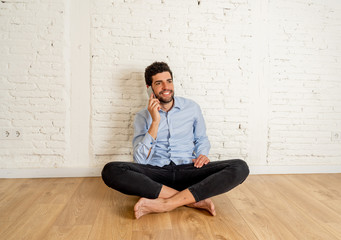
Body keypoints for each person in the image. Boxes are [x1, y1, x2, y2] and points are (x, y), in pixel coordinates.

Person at [101, 61, 249, 219]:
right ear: (149, 88)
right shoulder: (142, 117)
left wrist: (202, 154)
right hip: (156, 174)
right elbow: (140, 159)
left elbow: (201, 138)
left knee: (240, 167)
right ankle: (191, 200)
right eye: (159, 83)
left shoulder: (191, 108)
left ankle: (166, 203)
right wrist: (155, 121)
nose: (166, 87)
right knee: (111, 170)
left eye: (169, 81)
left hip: (188, 170)